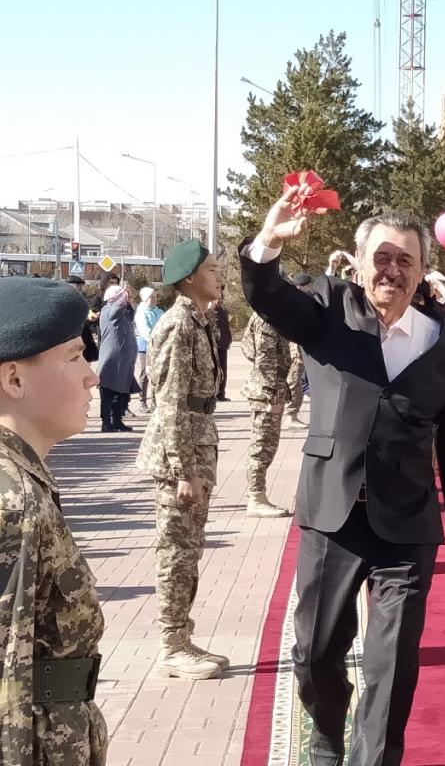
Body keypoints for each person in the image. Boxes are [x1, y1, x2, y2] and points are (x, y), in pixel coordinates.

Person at [240, 190, 445, 766]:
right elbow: (268, 296)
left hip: (408, 522)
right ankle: (327, 731)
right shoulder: (328, 308)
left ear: (421, 272)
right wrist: (268, 242)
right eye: (382, 257)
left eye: (405, 260)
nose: (392, 270)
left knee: (392, 664)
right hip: (334, 512)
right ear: (358, 263)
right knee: (315, 653)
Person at [0, 277, 108, 766]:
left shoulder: (24, 477)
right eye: (74, 357)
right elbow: (8, 677)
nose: (91, 377)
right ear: (14, 380)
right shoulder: (14, 501)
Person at [135, 240, 227, 680]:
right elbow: (169, 403)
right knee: (176, 553)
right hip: (180, 458)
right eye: (211, 269)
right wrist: (183, 470)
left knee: (189, 551)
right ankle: (171, 646)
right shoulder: (178, 325)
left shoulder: (199, 320)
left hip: (196, 446)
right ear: (189, 279)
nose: (220, 275)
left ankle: (183, 637)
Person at [239, 309, 292, 518]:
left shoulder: (269, 315)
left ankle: (258, 495)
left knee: (268, 445)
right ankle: (256, 498)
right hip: (267, 391)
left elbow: (247, 348)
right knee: (262, 446)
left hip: (272, 388)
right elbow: (264, 357)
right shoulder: (266, 318)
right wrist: (271, 394)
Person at [97, 284, 139, 432]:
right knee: (109, 391)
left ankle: (117, 420)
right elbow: (118, 307)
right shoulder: (109, 310)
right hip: (113, 358)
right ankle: (106, 422)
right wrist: (124, 292)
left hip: (123, 360)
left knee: (121, 392)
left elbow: (127, 309)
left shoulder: (122, 312)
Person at [284, 272, 314, 426]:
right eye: (309, 285)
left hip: (303, 347)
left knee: (299, 380)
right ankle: (291, 415)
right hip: (297, 349)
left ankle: (292, 413)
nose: (311, 288)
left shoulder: (299, 300)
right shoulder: (294, 302)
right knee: (295, 380)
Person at [134, 286, 165, 413]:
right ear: (145, 299)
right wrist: (156, 340)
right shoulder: (141, 312)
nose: (154, 299)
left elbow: (165, 325)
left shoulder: (159, 311)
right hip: (146, 346)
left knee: (158, 374)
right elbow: (145, 330)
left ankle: (156, 402)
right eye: (151, 297)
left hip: (160, 346)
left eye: (155, 297)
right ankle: (142, 401)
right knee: (145, 374)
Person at [66, 275, 100, 362]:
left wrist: (90, 320)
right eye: (79, 289)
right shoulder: (65, 304)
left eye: (80, 289)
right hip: (71, 347)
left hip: (81, 345)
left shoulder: (81, 304)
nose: (80, 293)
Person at [210, 290, 232, 402]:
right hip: (214, 345)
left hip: (223, 344)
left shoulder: (224, 312)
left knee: (223, 370)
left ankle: (221, 394)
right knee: (214, 371)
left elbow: (226, 327)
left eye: (221, 298)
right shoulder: (209, 312)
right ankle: (213, 394)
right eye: (217, 298)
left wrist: (229, 339)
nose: (219, 300)